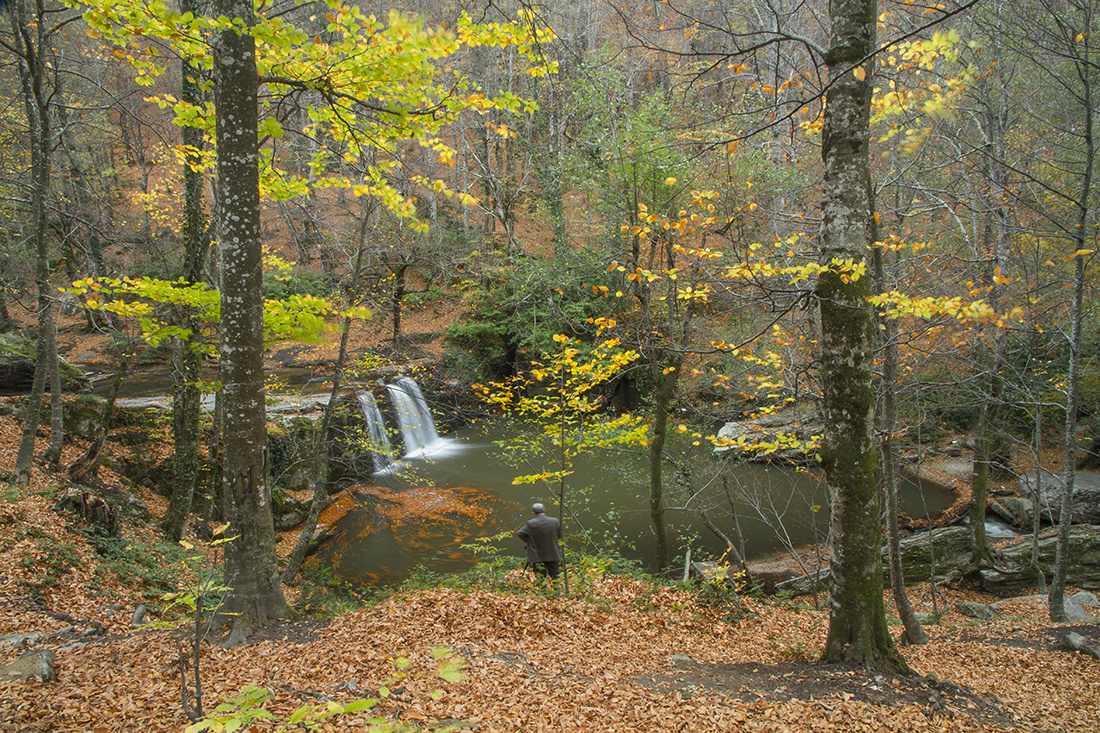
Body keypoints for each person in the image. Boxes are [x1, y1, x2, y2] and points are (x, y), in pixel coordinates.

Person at [516, 502, 561, 579]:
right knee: (555, 575)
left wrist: (529, 541)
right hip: (552, 553)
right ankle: (557, 590)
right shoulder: (555, 521)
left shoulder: (531, 523)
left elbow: (519, 533)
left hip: (537, 555)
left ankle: (543, 591)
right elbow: (560, 534)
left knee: (540, 577)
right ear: (544, 510)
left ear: (533, 513)